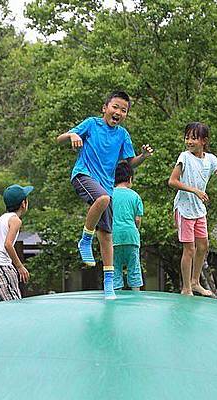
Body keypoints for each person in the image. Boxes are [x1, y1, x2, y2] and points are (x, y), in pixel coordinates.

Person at [56, 91, 153, 299]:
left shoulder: (122, 135)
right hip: (84, 174)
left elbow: (129, 163)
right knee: (103, 199)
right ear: (105, 108)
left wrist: (143, 156)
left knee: (107, 235)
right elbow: (59, 139)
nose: (118, 112)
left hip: (106, 186)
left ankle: (109, 284)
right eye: (115, 107)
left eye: (123, 110)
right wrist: (72, 134)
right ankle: (84, 240)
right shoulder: (91, 124)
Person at [168, 122, 217, 296]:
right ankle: (186, 288)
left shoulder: (211, 159)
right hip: (184, 208)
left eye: (193, 138)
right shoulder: (184, 157)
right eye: (187, 137)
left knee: (203, 246)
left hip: (199, 210)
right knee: (189, 249)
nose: (189, 141)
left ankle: (195, 282)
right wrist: (194, 190)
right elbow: (172, 181)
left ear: (204, 141)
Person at [112, 161, 144, 291]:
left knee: (114, 268)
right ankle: (136, 297)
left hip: (114, 238)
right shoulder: (135, 196)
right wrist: (136, 229)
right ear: (130, 178)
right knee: (134, 268)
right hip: (131, 237)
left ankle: (115, 298)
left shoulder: (109, 195)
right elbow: (137, 219)